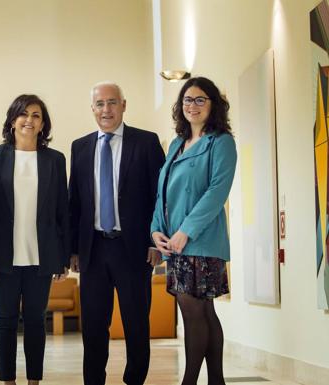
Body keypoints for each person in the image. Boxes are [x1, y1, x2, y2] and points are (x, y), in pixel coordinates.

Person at [68, 81, 165, 385]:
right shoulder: (80, 147)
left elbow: (160, 196)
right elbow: (75, 202)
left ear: (124, 105)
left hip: (134, 248)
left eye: (112, 102)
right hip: (93, 249)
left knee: (136, 323)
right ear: (92, 109)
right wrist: (73, 249)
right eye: (100, 104)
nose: (106, 109)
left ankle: (134, 380)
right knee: (94, 325)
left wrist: (155, 239)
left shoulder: (146, 142)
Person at [150, 77, 236, 385]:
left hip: (202, 242)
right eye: (188, 100)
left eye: (200, 100)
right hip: (174, 244)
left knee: (194, 314)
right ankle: (216, 380)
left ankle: (189, 381)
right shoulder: (175, 144)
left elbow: (216, 192)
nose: (193, 105)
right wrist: (155, 231)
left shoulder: (221, 142)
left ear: (213, 105)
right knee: (204, 313)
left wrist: (186, 231)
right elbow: (163, 193)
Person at [0, 94, 71, 385]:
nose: (29, 120)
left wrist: (62, 255)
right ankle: (7, 381)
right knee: (4, 320)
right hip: (3, 257)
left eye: (36, 115)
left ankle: (34, 380)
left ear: (43, 123)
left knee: (35, 321)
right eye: (24, 114)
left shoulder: (54, 160)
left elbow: (62, 210)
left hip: (40, 255)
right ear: (12, 120)